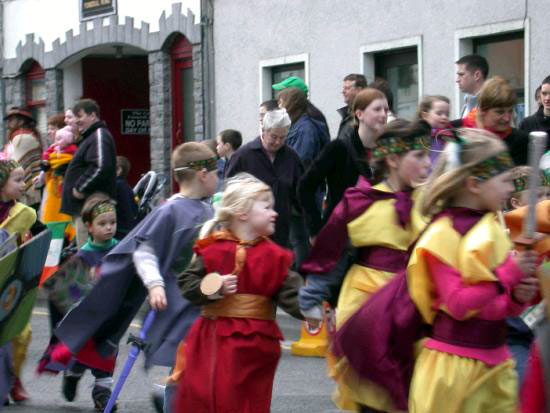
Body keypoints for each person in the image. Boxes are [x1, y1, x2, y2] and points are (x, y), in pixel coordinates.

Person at [44, 142, 217, 409]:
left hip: (202, 301)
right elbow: (144, 249)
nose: (219, 177)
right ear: (202, 174)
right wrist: (155, 284)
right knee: (187, 363)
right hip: (176, 302)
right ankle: (169, 400)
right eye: (216, 171)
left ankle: (172, 397)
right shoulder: (170, 210)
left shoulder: (209, 210)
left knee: (200, 366)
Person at [299, 119, 431, 412]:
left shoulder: (430, 202)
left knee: (411, 384)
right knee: (374, 383)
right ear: (394, 159)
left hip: (412, 301)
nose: (427, 163)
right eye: (418, 156)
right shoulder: (361, 201)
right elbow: (332, 250)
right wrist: (312, 294)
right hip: (366, 302)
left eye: (428, 155)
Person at [406, 128, 539, 412]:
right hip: (454, 372)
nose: (508, 190)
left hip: (496, 364)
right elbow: (457, 304)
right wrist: (509, 275)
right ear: (474, 184)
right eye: (503, 181)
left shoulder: (493, 228)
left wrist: (517, 297)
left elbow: (496, 308)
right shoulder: (442, 234)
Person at [174, 173, 303, 412]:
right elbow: (187, 282)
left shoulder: (275, 255)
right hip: (215, 337)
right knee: (216, 397)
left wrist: (319, 309)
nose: (274, 213)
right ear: (243, 214)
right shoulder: (214, 249)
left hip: (258, 344)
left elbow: (293, 295)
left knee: (251, 402)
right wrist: (213, 285)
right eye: (267, 207)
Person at [41, 193, 119, 411]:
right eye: (102, 223)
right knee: (83, 351)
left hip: (110, 317)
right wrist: (88, 283)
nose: (109, 228)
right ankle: (73, 373)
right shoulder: (82, 256)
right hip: (87, 319)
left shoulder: (120, 248)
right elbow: (65, 295)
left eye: (112, 222)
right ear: (89, 227)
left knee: (107, 353)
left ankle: (102, 392)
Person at [298, 88, 388, 239]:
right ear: (360, 114)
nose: (383, 114)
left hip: (376, 233)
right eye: (377, 109)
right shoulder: (339, 148)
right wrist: (315, 229)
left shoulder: (388, 152)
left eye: (386, 109)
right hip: (341, 237)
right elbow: (305, 185)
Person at [225, 109, 303, 248]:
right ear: (264, 130)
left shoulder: (292, 158)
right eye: (274, 136)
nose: (278, 141)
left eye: (283, 137)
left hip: (281, 232)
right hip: (248, 234)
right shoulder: (243, 156)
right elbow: (229, 193)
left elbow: (300, 192)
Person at [0, 160, 37, 403]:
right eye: (17, 180)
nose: (23, 185)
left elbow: (35, 244)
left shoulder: (26, 214)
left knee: (21, 333)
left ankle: (13, 377)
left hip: (10, 283)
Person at [61, 99, 117, 247]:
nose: (76, 121)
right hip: (85, 208)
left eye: (80, 116)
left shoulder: (99, 135)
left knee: (90, 253)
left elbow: (100, 166)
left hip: (90, 207)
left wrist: (80, 187)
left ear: (92, 116)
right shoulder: (91, 136)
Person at [451, 76, 530, 166]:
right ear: (483, 110)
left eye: (510, 111)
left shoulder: (520, 140)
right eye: (500, 112)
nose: (507, 118)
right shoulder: (455, 131)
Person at [35, 126, 78, 234]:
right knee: (51, 211)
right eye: (48, 128)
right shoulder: (53, 150)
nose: (50, 132)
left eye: (53, 128)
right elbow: (47, 160)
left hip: (64, 187)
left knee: (64, 215)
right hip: (53, 187)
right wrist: (44, 168)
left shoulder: (73, 152)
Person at [3, 107, 43, 208]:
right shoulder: (25, 136)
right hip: (30, 190)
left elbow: (14, 165)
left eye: (11, 120)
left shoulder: (22, 138)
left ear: (21, 121)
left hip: (26, 193)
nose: (8, 124)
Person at [416, 95, 451, 165]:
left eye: (447, 114)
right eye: (439, 113)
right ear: (425, 116)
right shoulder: (420, 135)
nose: (444, 117)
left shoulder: (448, 135)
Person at [114, 156, 138, 240]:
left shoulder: (118, 185)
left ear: (119, 170)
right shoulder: (125, 185)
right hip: (127, 228)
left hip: (121, 230)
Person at [338, 74, 367, 139]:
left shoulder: (365, 115)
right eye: (344, 88)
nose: (343, 91)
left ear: (359, 90)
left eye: (347, 88)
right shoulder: (347, 115)